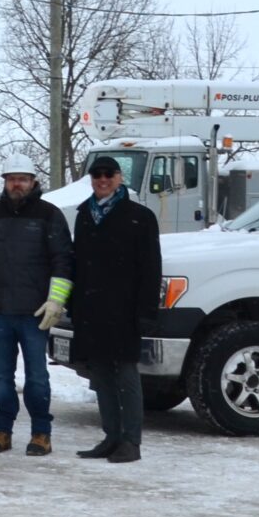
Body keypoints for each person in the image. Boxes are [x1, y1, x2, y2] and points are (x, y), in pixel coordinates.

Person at [0, 152, 73, 457]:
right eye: (12, 179)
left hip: (34, 314)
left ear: (33, 181)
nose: (17, 184)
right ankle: (2, 431)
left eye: (22, 179)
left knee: (37, 377)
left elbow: (62, 261)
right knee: (1, 378)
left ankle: (41, 433)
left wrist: (56, 300)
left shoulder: (49, 215)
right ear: (5, 182)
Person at [69, 154, 160, 464]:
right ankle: (111, 436)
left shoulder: (140, 216)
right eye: (97, 174)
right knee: (102, 377)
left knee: (126, 374)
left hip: (125, 310)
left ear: (120, 178)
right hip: (92, 309)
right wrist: (74, 305)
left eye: (109, 174)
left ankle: (131, 441)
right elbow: (78, 263)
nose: (103, 179)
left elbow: (151, 269)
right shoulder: (84, 215)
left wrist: (147, 312)